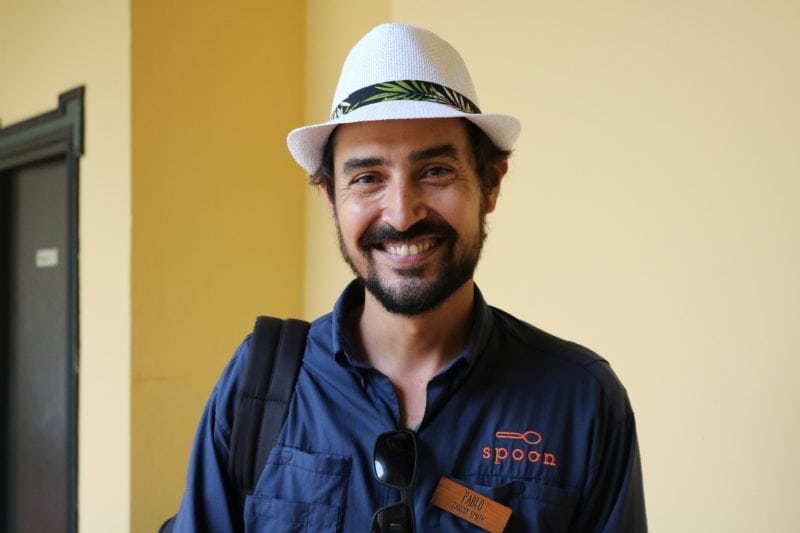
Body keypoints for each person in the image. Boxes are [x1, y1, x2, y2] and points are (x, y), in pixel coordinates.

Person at [171, 23, 647, 532]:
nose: (401, 214)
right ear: (331, 200)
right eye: (368, 179)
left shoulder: (579, 400)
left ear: (490, 183)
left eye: (436, 171)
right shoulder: (260, 384)